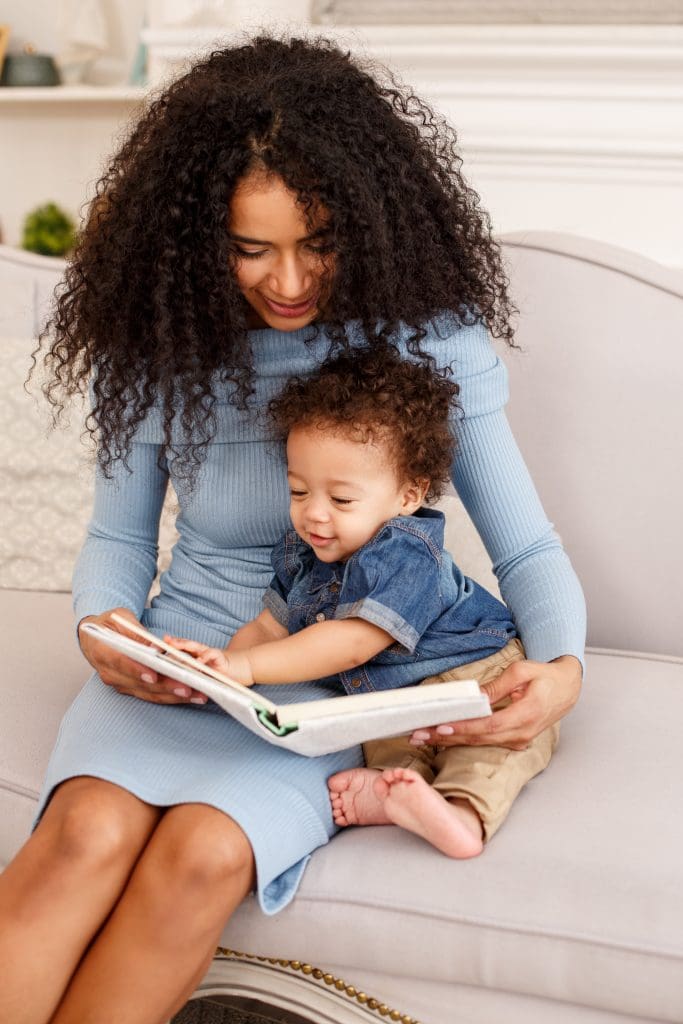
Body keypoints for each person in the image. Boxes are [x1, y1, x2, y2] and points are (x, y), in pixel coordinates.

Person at [0, 34, 585, 1024]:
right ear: (198, 239)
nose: (287, 281)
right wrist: (104, 633)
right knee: (83, 835)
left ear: (366, 219)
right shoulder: (160, 346)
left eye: (318, 241)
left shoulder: (431, 343)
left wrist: (562, 667)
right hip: (182, 650)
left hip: (331, 693)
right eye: (249, 248)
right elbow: (114, 543)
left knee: (203, 852)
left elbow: (524, 545)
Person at [166, 347, 556, 861]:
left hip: (475, 676)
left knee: (488, 751)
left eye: (341, 500)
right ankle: (399, 794)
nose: (314, 515)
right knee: (388, 750)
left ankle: (462, 818)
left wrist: (248, 667)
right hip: (398, 697)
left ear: (408, 494)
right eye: (299, 490)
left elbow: (353, 643)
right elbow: (268, 628)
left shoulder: (404, 549)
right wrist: (222, 672)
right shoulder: (305, 554)